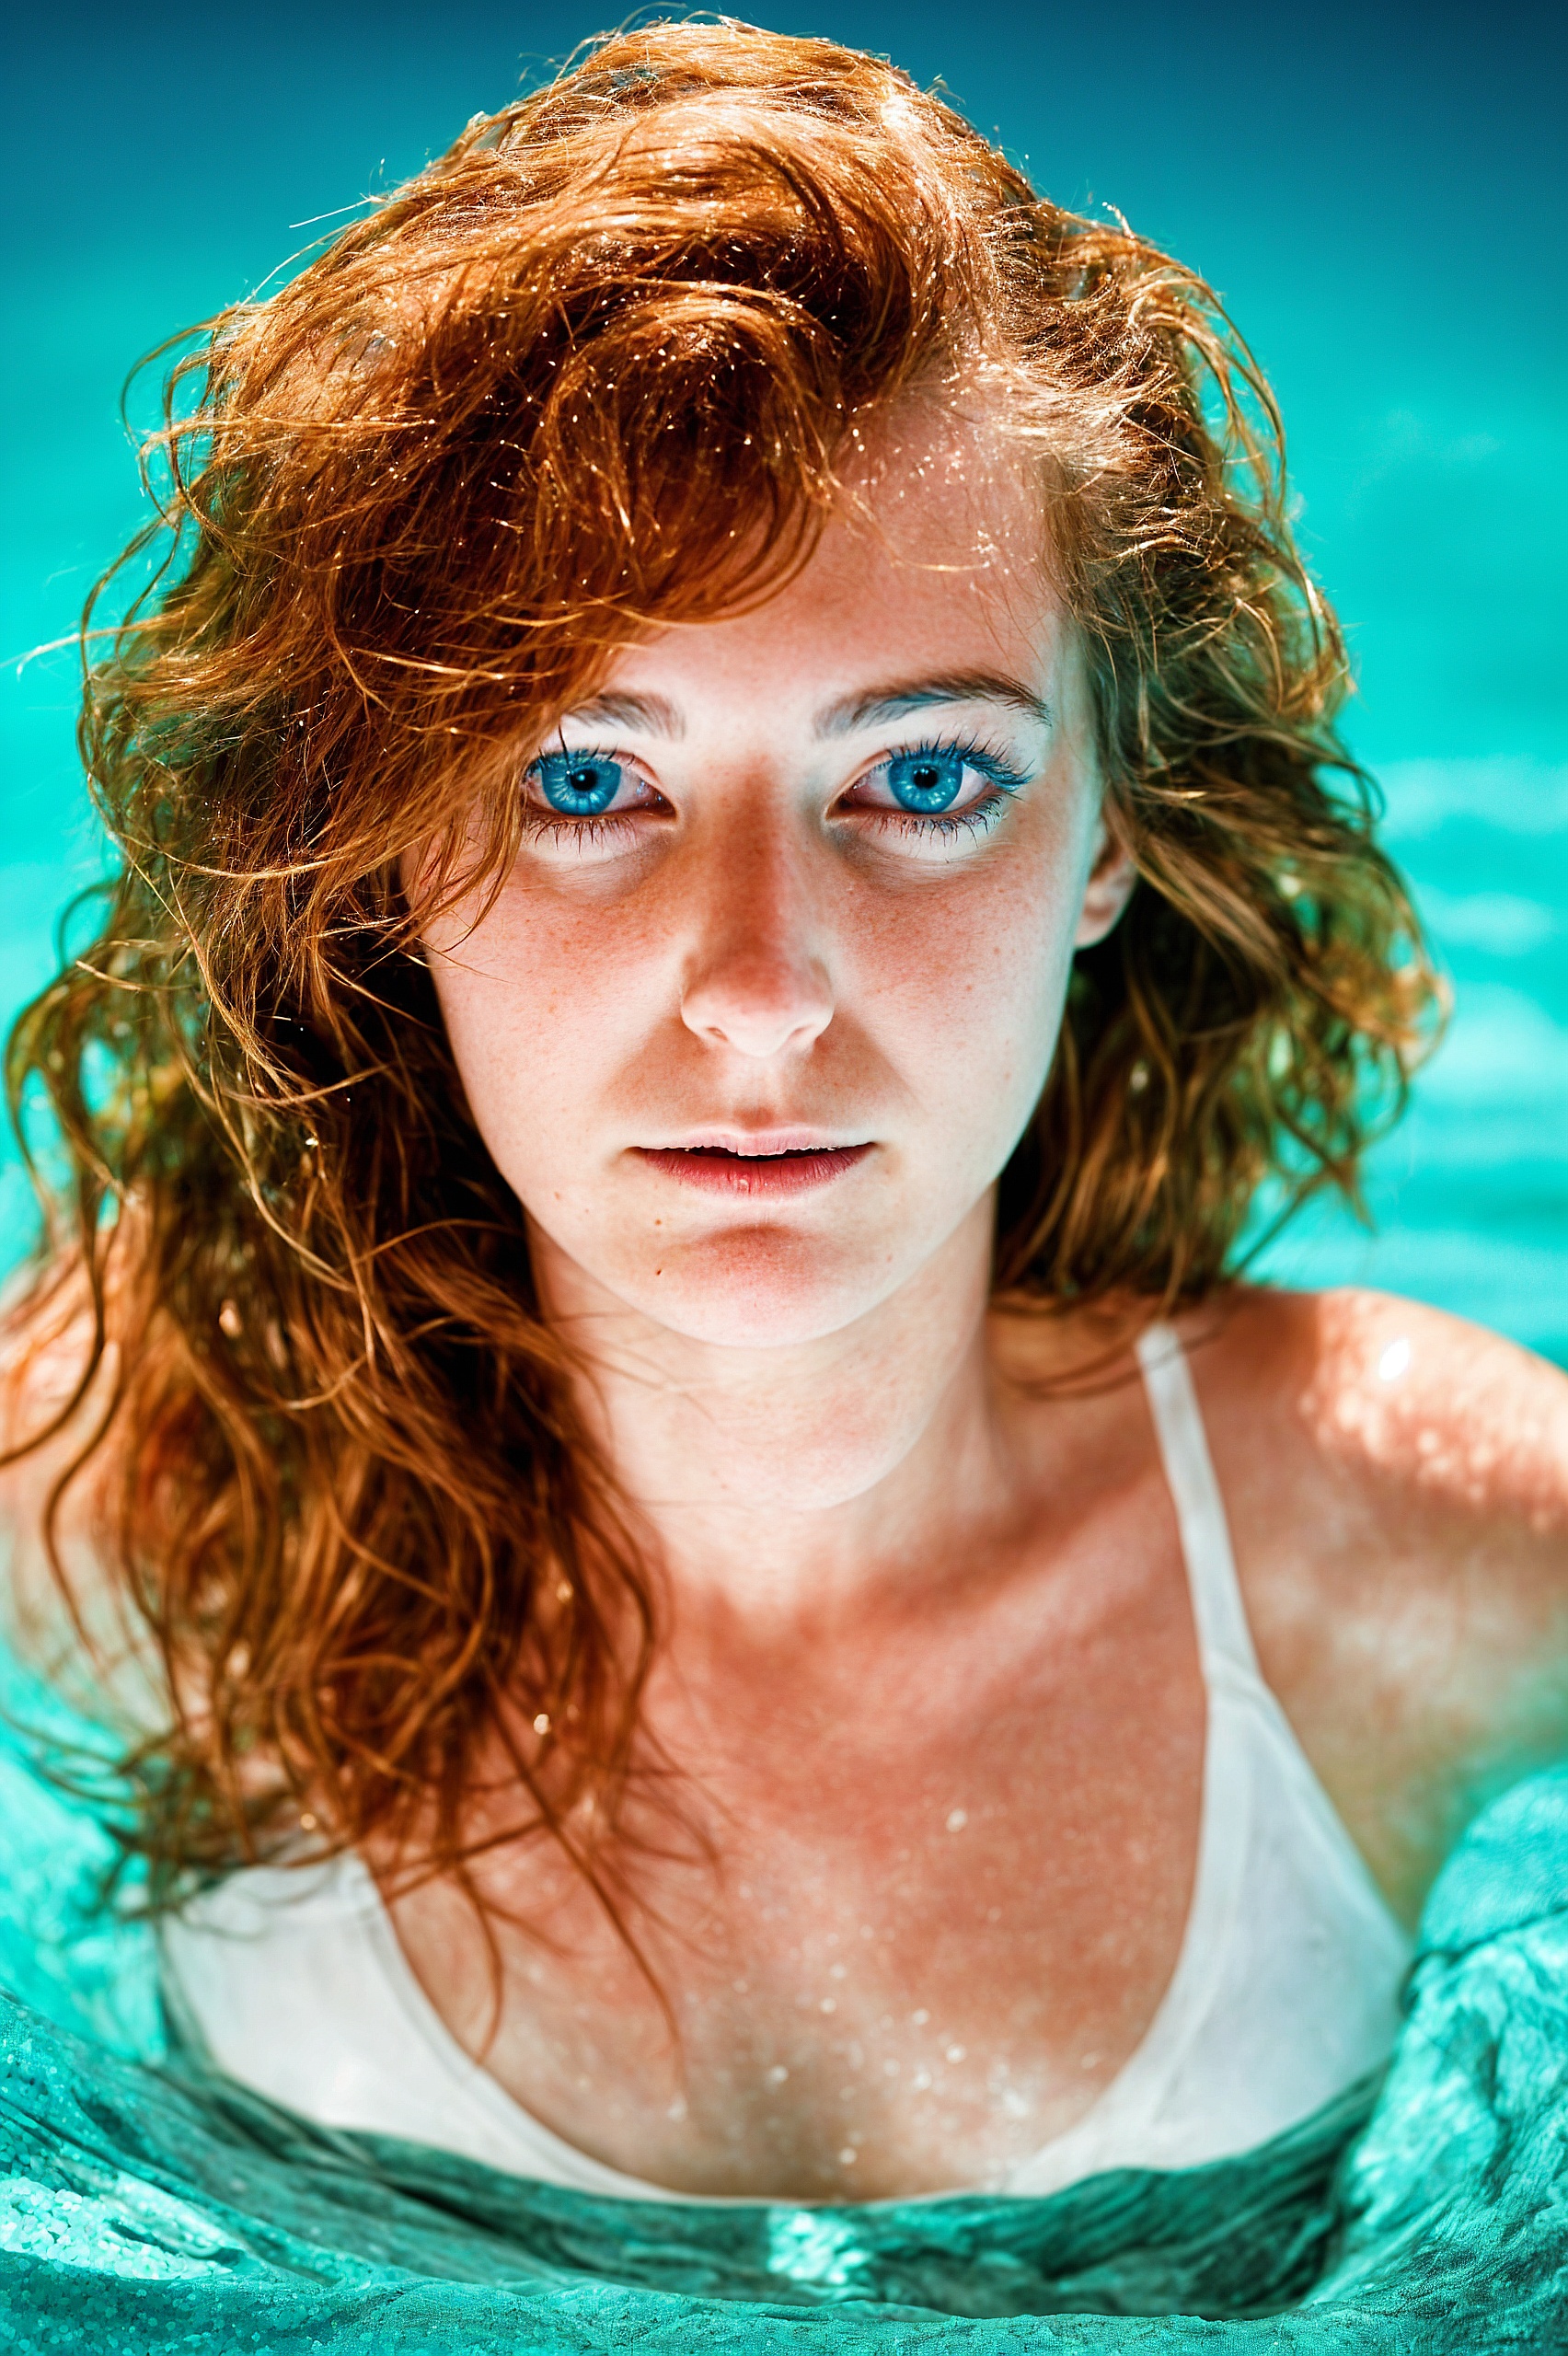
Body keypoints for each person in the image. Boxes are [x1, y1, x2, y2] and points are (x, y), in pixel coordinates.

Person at [1, 20, 1564, 2211]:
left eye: (922, 778)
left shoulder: (1414, 1544)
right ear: (377, 842)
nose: (756, 988)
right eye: (584, 778)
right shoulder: (141, 1472)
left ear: (1110, 831)